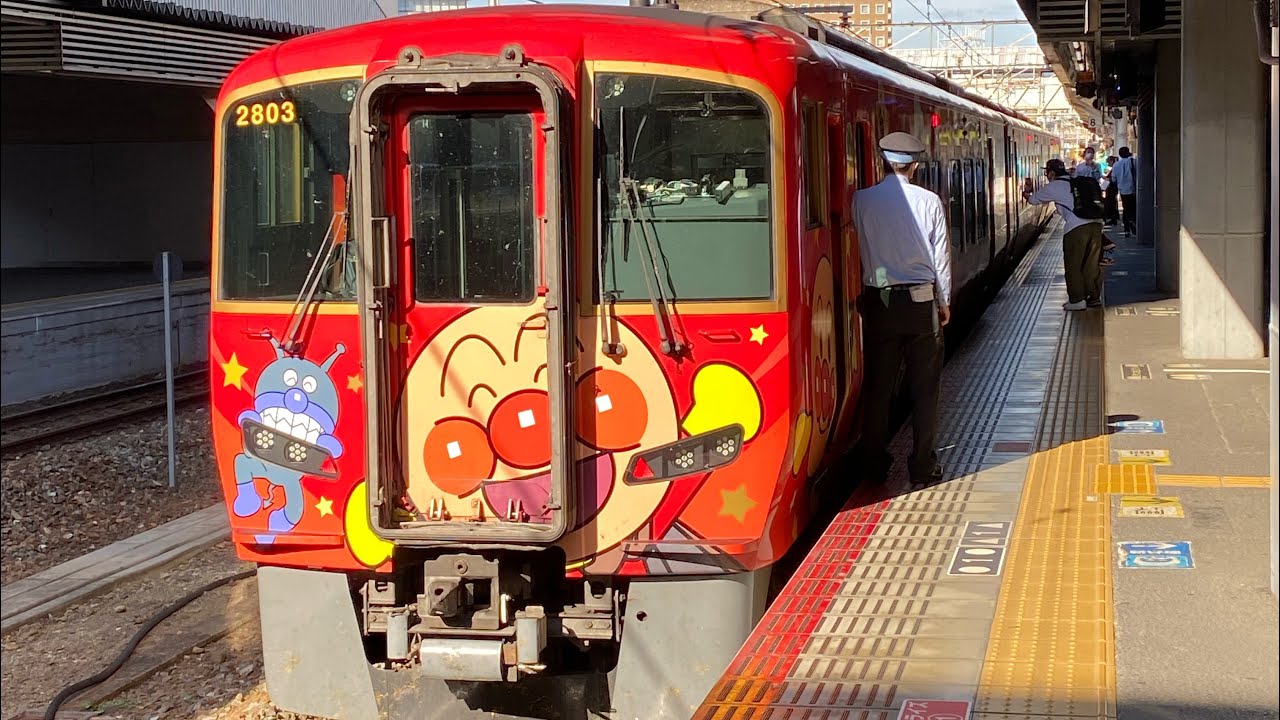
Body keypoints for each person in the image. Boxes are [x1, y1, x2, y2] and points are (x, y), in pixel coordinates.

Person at [851, 132, 950, 485]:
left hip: (880, 302)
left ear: (883, 162)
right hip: (921, 302)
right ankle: (923, 464)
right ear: (915, 165)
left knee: (878, 386)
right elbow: (940, 257)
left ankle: (873, 463)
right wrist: (944, 300)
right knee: (925, 388)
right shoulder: (929, 201)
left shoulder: (861, 201)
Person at [1023, 158, 1104, 310]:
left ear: (1052, 173)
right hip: (1096, 224)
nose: (1047, 176)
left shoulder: (1054, 186)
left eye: (1047, 173)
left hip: (1076, 228)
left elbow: (1033, 200)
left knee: (1073, 264)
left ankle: (1077, 299)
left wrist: (1026, 192)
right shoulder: (1076, 181)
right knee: (1091, 264)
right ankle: (1093, 297)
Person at [1110, 146, 1137, 237]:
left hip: (1123, 190)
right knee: (1133, 208)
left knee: (1126, 209)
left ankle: (1126, 229)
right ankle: (1132, 223)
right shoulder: (1134, 162)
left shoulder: (1116, 165)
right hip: (1134, 190)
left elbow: (1113, 179)